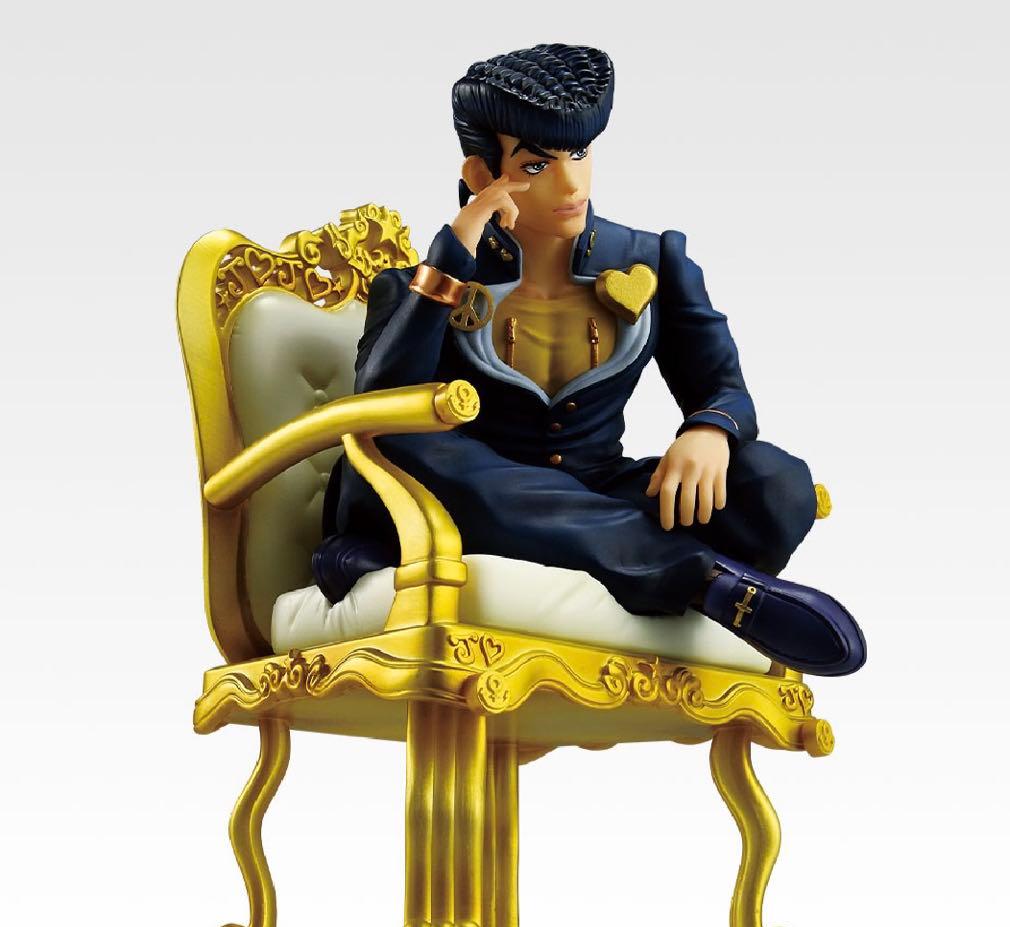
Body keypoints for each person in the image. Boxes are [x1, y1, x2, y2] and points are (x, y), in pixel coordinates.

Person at [314, 42, 866, 677]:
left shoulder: (653, 262)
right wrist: (454, 253)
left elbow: (723, 387)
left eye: (579, 154)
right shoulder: (419, 286)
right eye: (536, 164)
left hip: (592, 489)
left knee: (774, 481)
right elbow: (379, 410)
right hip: (466, 494)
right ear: (482, 174)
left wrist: (710, 430)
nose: (571, 183)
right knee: (418, 439)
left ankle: (613, 552)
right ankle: (705, 581)